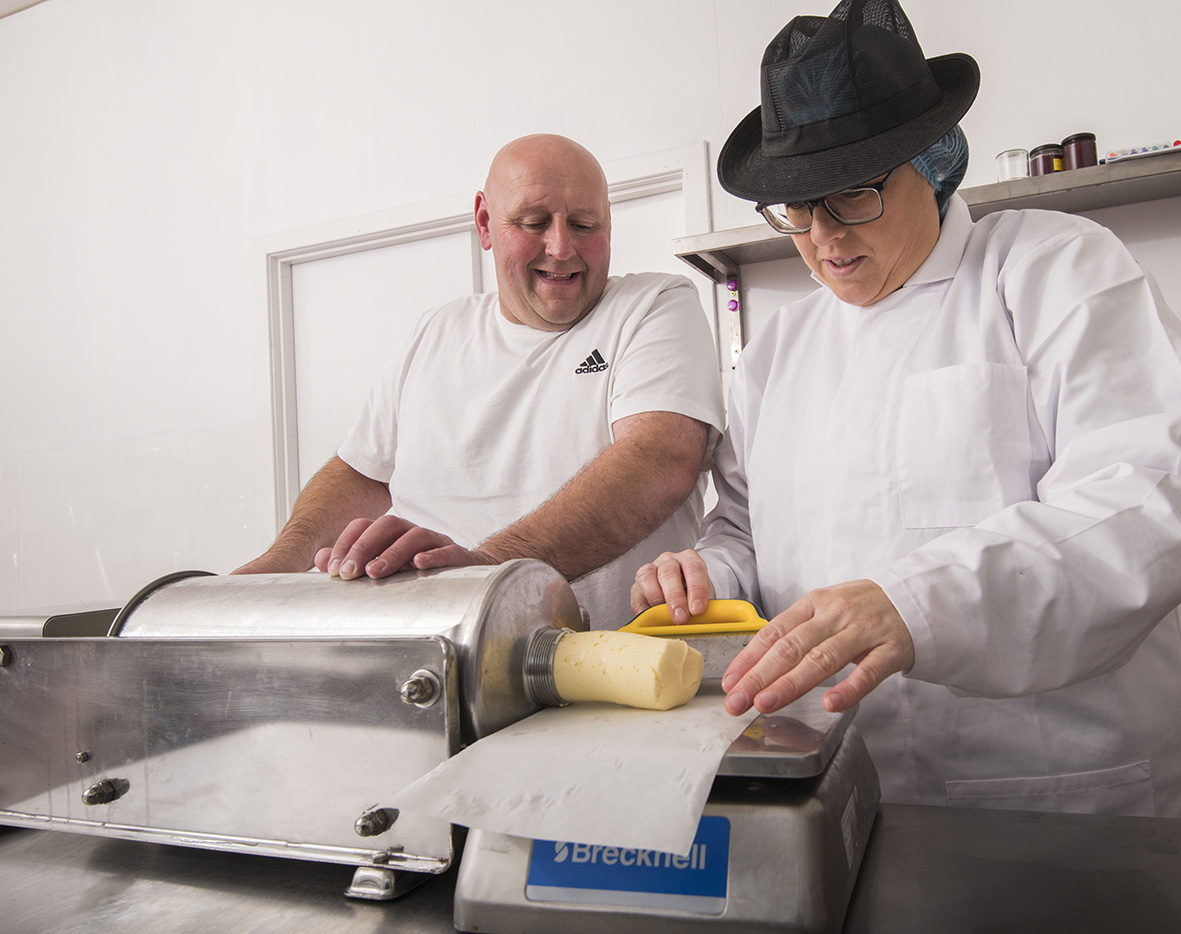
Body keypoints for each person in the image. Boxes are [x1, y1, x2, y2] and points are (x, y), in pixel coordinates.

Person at [632, 0, 1181, 816]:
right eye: (796, 209)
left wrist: (918, 602)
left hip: (1050, 787)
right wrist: (706, 574)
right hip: (836, 775)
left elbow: (1141, 498)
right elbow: (744, 525)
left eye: (850, 196)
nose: (821, 237)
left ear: (928, 161)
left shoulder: (1054, 271)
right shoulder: (779, 350)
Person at [236, 133, 725, 628]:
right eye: (533, 223)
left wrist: (482, 581)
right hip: (433, 654)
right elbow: (362, 472)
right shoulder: (434, 331)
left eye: (584, 224)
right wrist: (278, 566)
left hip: (617, 664)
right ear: (485, 222)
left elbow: (658, 460)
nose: (561, 247)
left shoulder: (654, 305)